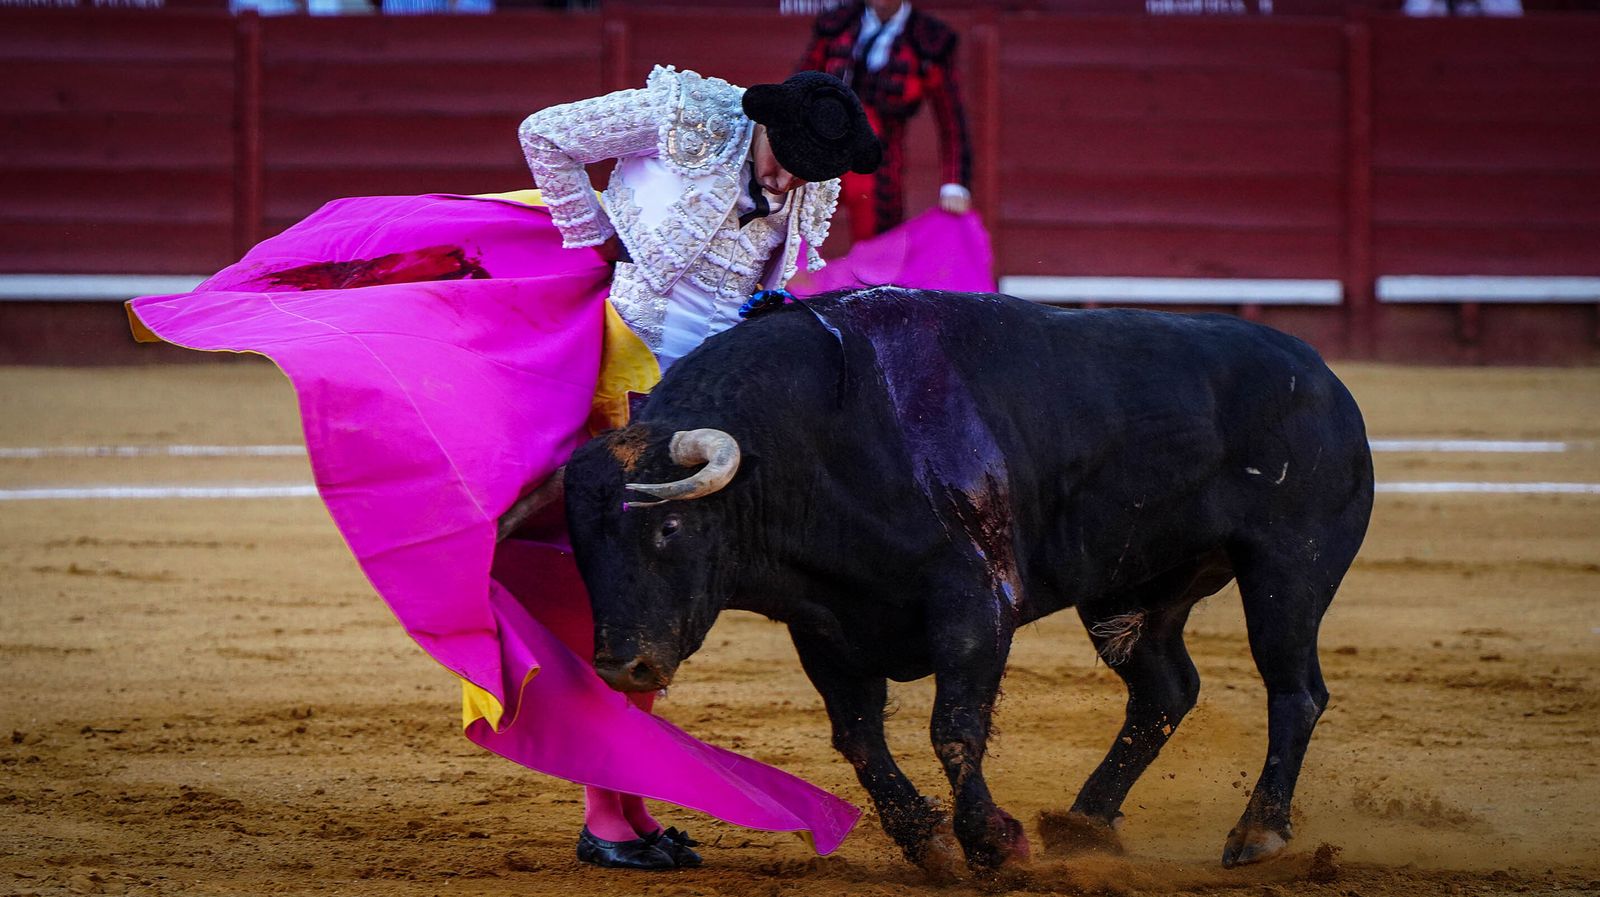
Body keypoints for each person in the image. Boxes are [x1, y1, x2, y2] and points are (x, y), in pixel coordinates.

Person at [128, 66, 881, 872]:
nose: (789, 179)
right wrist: (590, 237)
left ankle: (627, 800)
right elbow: (546, 134)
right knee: (595, 586)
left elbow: (767, 272)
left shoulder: (809, 179)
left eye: (808, 170)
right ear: (758, 122)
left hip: (702, 393)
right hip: (616, 368)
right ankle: (607, 812)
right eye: (783, 159)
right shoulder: (687, 115)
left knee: (652, 594)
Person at [798, 0, 973, 240]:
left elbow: (951, 120)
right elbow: (798, 92)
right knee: (795, 231)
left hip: (880, 162)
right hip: (822, 149)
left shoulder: (929, 40)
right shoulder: (836, 25)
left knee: (878, 252)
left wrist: (955, 183)